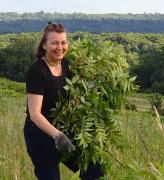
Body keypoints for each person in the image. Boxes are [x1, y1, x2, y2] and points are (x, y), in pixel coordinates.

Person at [23, 22, 104, 180]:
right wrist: (58, 136)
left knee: (94, 172)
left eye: (63, 42)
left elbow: (79, 92)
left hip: (64, 128)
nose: (60, 47)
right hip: (40, 133)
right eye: (54, 43)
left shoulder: (67, 65)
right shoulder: (37, 72)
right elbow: (34, 114)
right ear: (44, 45)